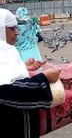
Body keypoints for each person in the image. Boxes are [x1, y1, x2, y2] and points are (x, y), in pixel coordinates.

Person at [0, 8, 61, 138]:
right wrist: (43, 78)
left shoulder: (7, 51)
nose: (17, 32)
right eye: (13, 28)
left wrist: (23, 67)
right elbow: (5, 91)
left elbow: (5, 76)